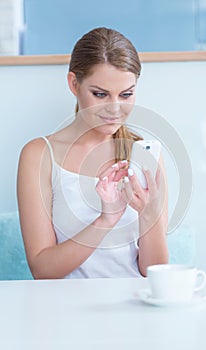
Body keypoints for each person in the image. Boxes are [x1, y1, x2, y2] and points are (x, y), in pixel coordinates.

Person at [17, 27, 168, 279]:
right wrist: (105, 220)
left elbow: (155, 273)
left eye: (126, 94)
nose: (115, 108)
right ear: (74, 84)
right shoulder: (39, 155)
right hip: (66, 309)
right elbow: (42, 270)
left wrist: (149, 215)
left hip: (133, 306)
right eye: (100, 94)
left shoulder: (146, 156)